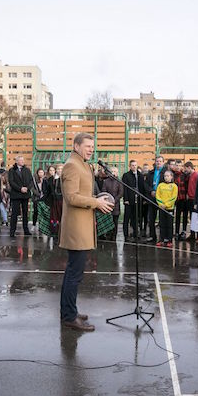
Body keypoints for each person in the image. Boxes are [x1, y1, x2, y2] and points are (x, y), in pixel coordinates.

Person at [59, 133, 114, 331]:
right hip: (76, 228)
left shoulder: (82, 164)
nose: (91, 149)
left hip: (82, 226)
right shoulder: (72, 165)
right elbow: (71, 197)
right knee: (74, 274)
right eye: (87, 146)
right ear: (76, 146)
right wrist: (96, 202)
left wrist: (97, 201)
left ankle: (69, 311)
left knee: (74, 273)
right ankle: (69, 316)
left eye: (93, 146)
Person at [8, 156, 34, 237]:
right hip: (16, 195)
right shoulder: (12, 170)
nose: (23, 161)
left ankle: (26, 230)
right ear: (17, 161)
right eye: (21, 160)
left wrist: (27, 188)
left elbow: (31, 181)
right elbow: (11, 182)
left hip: (25, 195)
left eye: (23, 160)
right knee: (14, 213)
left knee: (25, 213)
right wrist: (20, 189)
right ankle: (12, 231)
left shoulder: (27, 170)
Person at [144, 156, 166, 242]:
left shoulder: (166, 173)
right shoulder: (151, 173)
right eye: (157, 161)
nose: (158, 163)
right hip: (152, 198)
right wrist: (151, 191)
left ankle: (162, 237)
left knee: (162, 219)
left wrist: (158, 192)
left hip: (161, 199)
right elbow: (145, 184)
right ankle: (152, 236)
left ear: (163, 162)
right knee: (151, 219)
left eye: (160, 161)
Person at [122, 159, 143, 242]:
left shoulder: (140, 175)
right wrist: (126, 199)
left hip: (138, 199)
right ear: (129, 166)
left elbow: (142, 187)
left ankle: (135, 234)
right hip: (129, 199)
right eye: (132, 165)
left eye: (135, 165)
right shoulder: (126, 175)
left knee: (136, 218)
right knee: (126, 218)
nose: (134, 167)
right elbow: (125, 188)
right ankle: (126, 235)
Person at [101, 166, 124, 240]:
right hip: (107, 204)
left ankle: (114, 235)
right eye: (112, 171)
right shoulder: (106, 181)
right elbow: (104, 191)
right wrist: (108, 200)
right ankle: (108, 234)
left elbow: (121, 193)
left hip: (116, 205)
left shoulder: (119, 182)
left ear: (117, 173)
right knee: (108, 221)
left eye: (115, 171)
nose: (113, 173)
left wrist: (114, 200)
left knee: (115, 221)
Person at [156, 170, 177, 247]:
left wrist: (166, 205)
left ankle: (169, 240)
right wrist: (161, 204)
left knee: (169, 224)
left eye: (168, 176)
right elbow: (158, 196)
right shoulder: (160, 185)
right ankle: (162, 239)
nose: (166, 177)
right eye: (165, 176)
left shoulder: (174, 186)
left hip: (169, 208)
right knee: (162, 224)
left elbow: (174, 197)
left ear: (171, 177)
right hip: (161, 208)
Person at [173, 160, 189, 240]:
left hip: (184, 198)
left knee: (185, 215)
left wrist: (187, 194)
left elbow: (187, 186)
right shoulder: (173, 175)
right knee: (177, 216)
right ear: (175, 166)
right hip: (176, 198)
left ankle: (184, 231)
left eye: (180, 165)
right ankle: (176, 232)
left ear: (182, 166)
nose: (178, 167)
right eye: (177, 165)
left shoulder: (185, 175)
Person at [185, 161, 198, 241]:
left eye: (186, 168)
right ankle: (192, 234)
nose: (185, 170)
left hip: (194, 199)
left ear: (189, 167)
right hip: (190, 198)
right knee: (192, 217)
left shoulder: (196, 175)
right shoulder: (190, 176)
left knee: (196, 217)